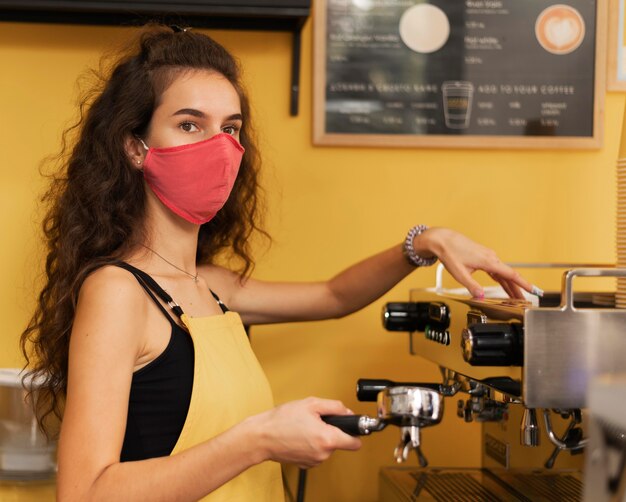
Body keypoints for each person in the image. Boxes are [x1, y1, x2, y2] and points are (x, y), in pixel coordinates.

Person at [20, 25, 535, 502]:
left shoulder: (213, 287)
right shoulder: (118, 290)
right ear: (136, 147)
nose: (218, 147)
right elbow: (86, 492)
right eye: (189, 124)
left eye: (230, 128)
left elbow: (334, 296)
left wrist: (425, 242)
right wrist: (261, 439)